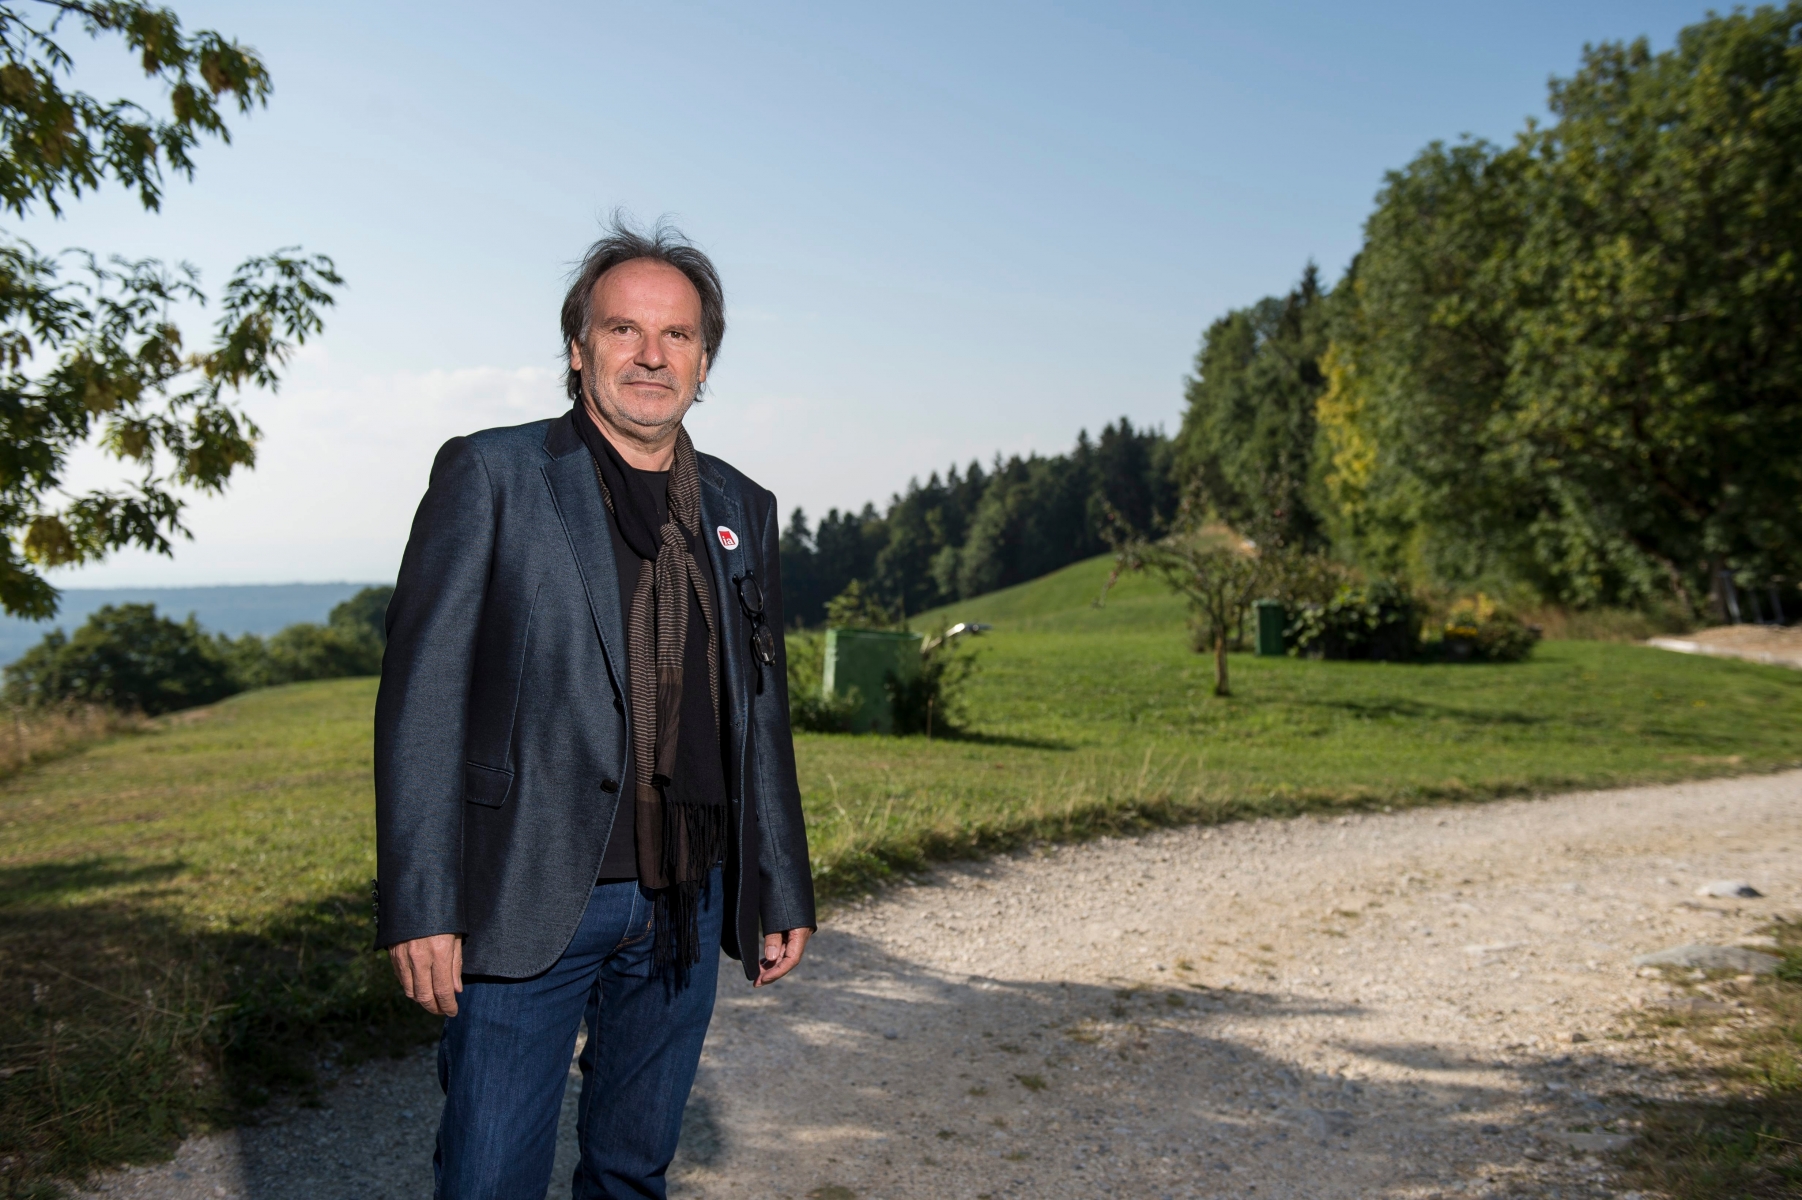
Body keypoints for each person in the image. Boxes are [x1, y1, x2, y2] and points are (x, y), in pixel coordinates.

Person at [373, 218, 815, 1199]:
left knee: (631, 1171)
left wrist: (779, 882)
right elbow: (421, 700)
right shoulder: (493, 476)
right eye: (623, 330)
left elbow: (757, 705)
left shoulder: (743, 506)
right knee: (488, 1176)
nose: (650, 356)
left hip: (684, 899)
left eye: (677, 337)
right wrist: (421, 902)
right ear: (578, 349)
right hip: (521, 892)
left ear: (705, 361)